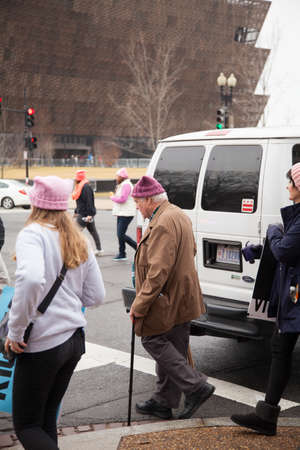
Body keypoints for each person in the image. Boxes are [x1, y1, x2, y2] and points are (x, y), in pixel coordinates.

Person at [6, 176, 105, 450]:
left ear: (36, 203)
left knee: (26, 426)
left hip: (43, 342)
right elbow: (96, 296)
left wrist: (15, 331)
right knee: (46, 419)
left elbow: (31, 279)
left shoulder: (33, 233)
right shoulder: (77, 238)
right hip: (74, 341)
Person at [129, 175, 215, 420]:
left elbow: (158, 271)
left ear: (148, 199)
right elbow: (192, 250)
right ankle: (163, 401)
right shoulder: (177, 213)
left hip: (168, 297)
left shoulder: (163, 222)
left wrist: (139, 304)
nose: (136, 206)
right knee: (174, 345)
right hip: (183, 295)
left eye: (138, 201)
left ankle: (196, 386)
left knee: (151, 339)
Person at [231, 162, 300, 436]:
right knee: (280, 350)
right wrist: (260, 249)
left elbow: (284, 249)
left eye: (290, 183)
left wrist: (272, 233)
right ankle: (266, 416)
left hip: (296, 297)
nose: (287, 187)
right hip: (293, 296)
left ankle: (267, 416)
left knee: (281, 351)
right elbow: (289, 247)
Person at [72, 170, 103, 256]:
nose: (74, 179)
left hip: (85, 214)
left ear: (78, 179)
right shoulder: (80, 186)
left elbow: (89, 201)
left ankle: (77, 251)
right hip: (84, 212)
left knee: (74, 232)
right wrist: (76, 211)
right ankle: (99, 249)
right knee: (93, 231)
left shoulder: (85, 187)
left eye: (76, 178)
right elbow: (80, 202)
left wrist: (90, 214)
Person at [110, 167, 136, 261]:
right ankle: (122, 253)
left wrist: (112, 197)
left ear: (121, 177)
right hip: (122, 212)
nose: (116, 178)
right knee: (120, 234)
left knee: (120, 234)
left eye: (117, 176)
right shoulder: (123, 184)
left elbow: (122, 199)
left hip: (127, 213)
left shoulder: (126, 185)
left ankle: (137, 248)